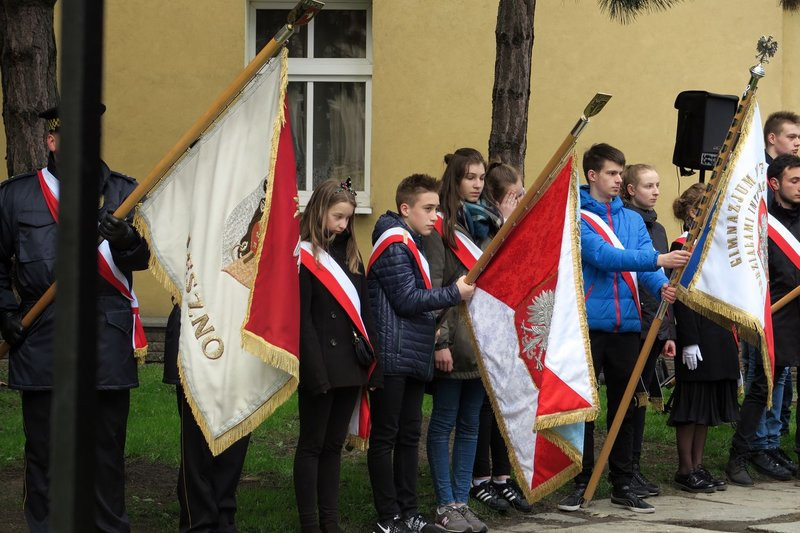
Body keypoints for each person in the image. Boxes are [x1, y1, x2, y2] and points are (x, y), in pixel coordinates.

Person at [0, 106, 150, 532]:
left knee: (106, 461)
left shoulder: (123, 193)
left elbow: (144, 259)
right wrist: (6, 313)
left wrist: (128, 241)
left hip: (105, 344)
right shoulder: (15, 197)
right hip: (42, 343)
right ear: (52, 142)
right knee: (44, 459)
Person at [557, 143, 689, 514]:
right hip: (589, 326)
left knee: (626, 406)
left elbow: (644, 269)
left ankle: (623, 481)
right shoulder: (578, 215)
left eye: (621, 172)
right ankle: (580, 480)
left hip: (628, 325)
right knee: (584, 409)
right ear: (593, 175)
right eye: (612, 173)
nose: (618, 179)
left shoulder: (632, 220)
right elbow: (605, 257)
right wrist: (658, 259)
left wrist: (661, 284)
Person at [367, 173, 474, 533]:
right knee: (386, 437)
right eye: (428, 209)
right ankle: (388, 517)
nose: (434, 217)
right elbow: (407, 300)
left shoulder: (413, 242)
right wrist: (453, 294)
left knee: (410, 436)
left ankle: (409, 512)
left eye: (437, 209)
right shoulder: (394, 243)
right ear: (405, 208)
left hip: (412, 353)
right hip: (392, 354)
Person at [293, 178, 379, 532]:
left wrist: (373, 369)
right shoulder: (302, 255)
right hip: (321, 367)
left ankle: (330, 522)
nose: (344, 225)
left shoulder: (351, 255)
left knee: (332, 447)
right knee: (311, 446)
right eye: (338, 217)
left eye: (348, 218)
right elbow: (303, 320)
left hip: (350, 367)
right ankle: (310, 524)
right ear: (319, 212)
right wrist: (315, 373)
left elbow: (364, 315)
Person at [422, 148, 494, 533]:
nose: (477, 184)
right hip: (454, 341)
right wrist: (440, 341)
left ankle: (463, 503)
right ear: (454, 179)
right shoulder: (441, 229)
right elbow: (435, 288)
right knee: (444, 423)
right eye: (470, 177)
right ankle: (444, 503)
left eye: (481, 177)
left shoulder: (487, 225)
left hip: (482, 342)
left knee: (470, 425)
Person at [726, 154, 800, 486]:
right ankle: (738, 457)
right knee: (763, 386)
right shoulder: (760, 219)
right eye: (794, 181)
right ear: (774, 183)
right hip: (775, 313)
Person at [467, 162, 533, 514]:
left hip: (509, 324)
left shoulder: (503, 220)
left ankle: (503, 478)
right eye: (514, 196)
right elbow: (489, 264)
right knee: (481, 407)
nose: (519, 200)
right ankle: (480, 479)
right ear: (498, 197)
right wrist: (507, 223)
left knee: (501, 404)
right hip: (483, 325)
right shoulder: (476, 220)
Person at [668, 184, 739, 493]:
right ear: (695, 212)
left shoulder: (717, 246)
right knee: (691, 405)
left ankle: (698, 465)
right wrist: (689, 340)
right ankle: (684, 468)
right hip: (697, 335)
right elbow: (682, 298)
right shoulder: (682, 245)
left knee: (706, 407)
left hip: (718, 334)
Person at [163, 303, 252, 532]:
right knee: (197, 446)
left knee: (234, 437)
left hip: (239, 330)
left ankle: (224, 519)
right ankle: (198, 524)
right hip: (198, 328)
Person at [621, 163, 677, 498]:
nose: (655, 191)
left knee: (641, 402)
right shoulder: (628, 224)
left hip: (655, 323)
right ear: (631, 189)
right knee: (628, 399)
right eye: (647, 186)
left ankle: (635, 466)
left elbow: (665, 284)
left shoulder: (657, 228)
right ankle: (624, 466)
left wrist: (668, 332)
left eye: (657, 185)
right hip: (632, 323)